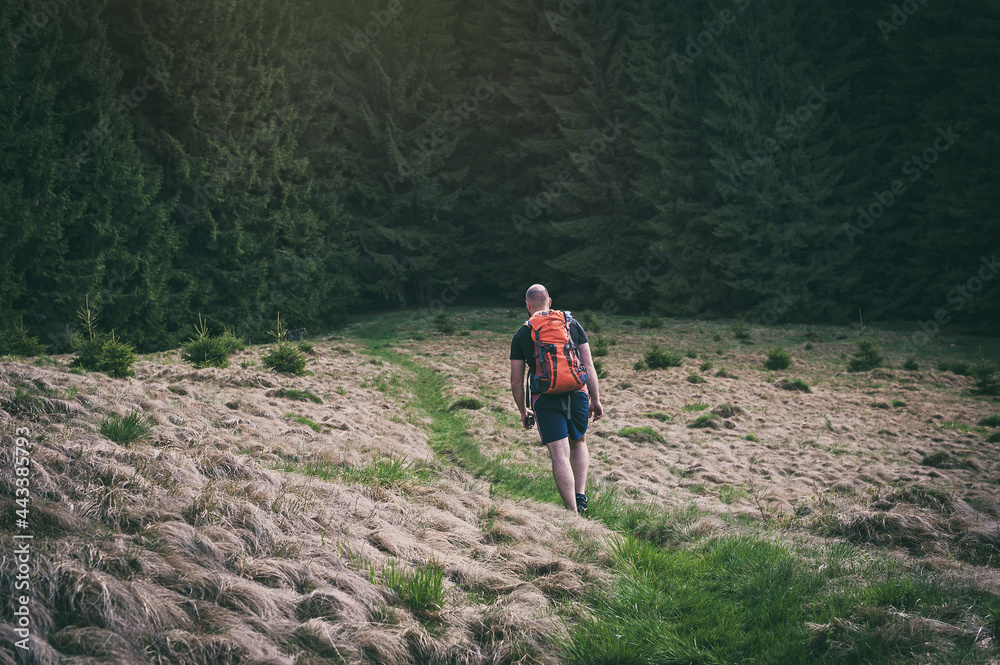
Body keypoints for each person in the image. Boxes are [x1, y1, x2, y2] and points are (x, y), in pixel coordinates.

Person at [510, 284, 603, 513]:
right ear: (549, 301)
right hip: (577, 392)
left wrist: (523, 410)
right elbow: (588, 364)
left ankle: (571, 511)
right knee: (578, 442)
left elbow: (516, 380)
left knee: (559, 454)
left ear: (527, 305)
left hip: (545, 397)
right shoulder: (570, 323)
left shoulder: (523, 333)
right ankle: (581, 497)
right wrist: (596, 399)